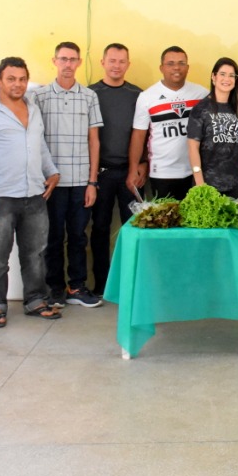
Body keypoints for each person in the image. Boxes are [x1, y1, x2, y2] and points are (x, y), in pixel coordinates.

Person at [0, 57, 62, 328]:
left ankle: (35, 300)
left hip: (34, 194)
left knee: (35, 254)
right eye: (11, 79)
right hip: (0, 196)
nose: (17, 84)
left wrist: (51, 171)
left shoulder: (33, 110)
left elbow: (39, 145)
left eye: (22, 79)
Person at [33, 41, 103, 309]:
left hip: (80, 181)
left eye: (73, 59)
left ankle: (77, 286)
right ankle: (54, 289)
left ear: (79, 63)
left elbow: (94, 140)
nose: (68, 64)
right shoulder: (39, 97)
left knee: (77, 236)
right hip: (51, 182)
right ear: (54, 61)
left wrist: (92, 181)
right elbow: (34, 139)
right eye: (63, 59)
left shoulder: (89, 96)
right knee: (51, 237)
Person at [88, 43, 142, 295]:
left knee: (134, 227)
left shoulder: (137, 95)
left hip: (130, 174)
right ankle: (102, 284)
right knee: (99, 228)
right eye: (112, 61)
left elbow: (146, 135)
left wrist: (143, 165)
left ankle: (130, 283)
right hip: (100, 174)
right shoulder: (90, 94)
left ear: (128, 65)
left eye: (122, 61)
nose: (116, 66)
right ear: (102, 62)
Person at [129, 46, 209, 200]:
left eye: (181, 63)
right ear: (161, 68)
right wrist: (133, 168)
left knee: (192, 222)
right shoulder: (147, 97)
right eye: (170, 63)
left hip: (194, 172)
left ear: (188, 67)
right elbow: (139, 135)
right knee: (166, 221)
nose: (176, 67)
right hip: (162, 173)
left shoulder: (202, 94)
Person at [187, 58, 238, 197]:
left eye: (232, 75)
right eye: (223, 74)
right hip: (208, 186)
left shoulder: (236, 108)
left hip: (234, 185)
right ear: (214, 77)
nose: (227, 79)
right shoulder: (201, 109)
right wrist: (200, 184)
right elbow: (192, 147)